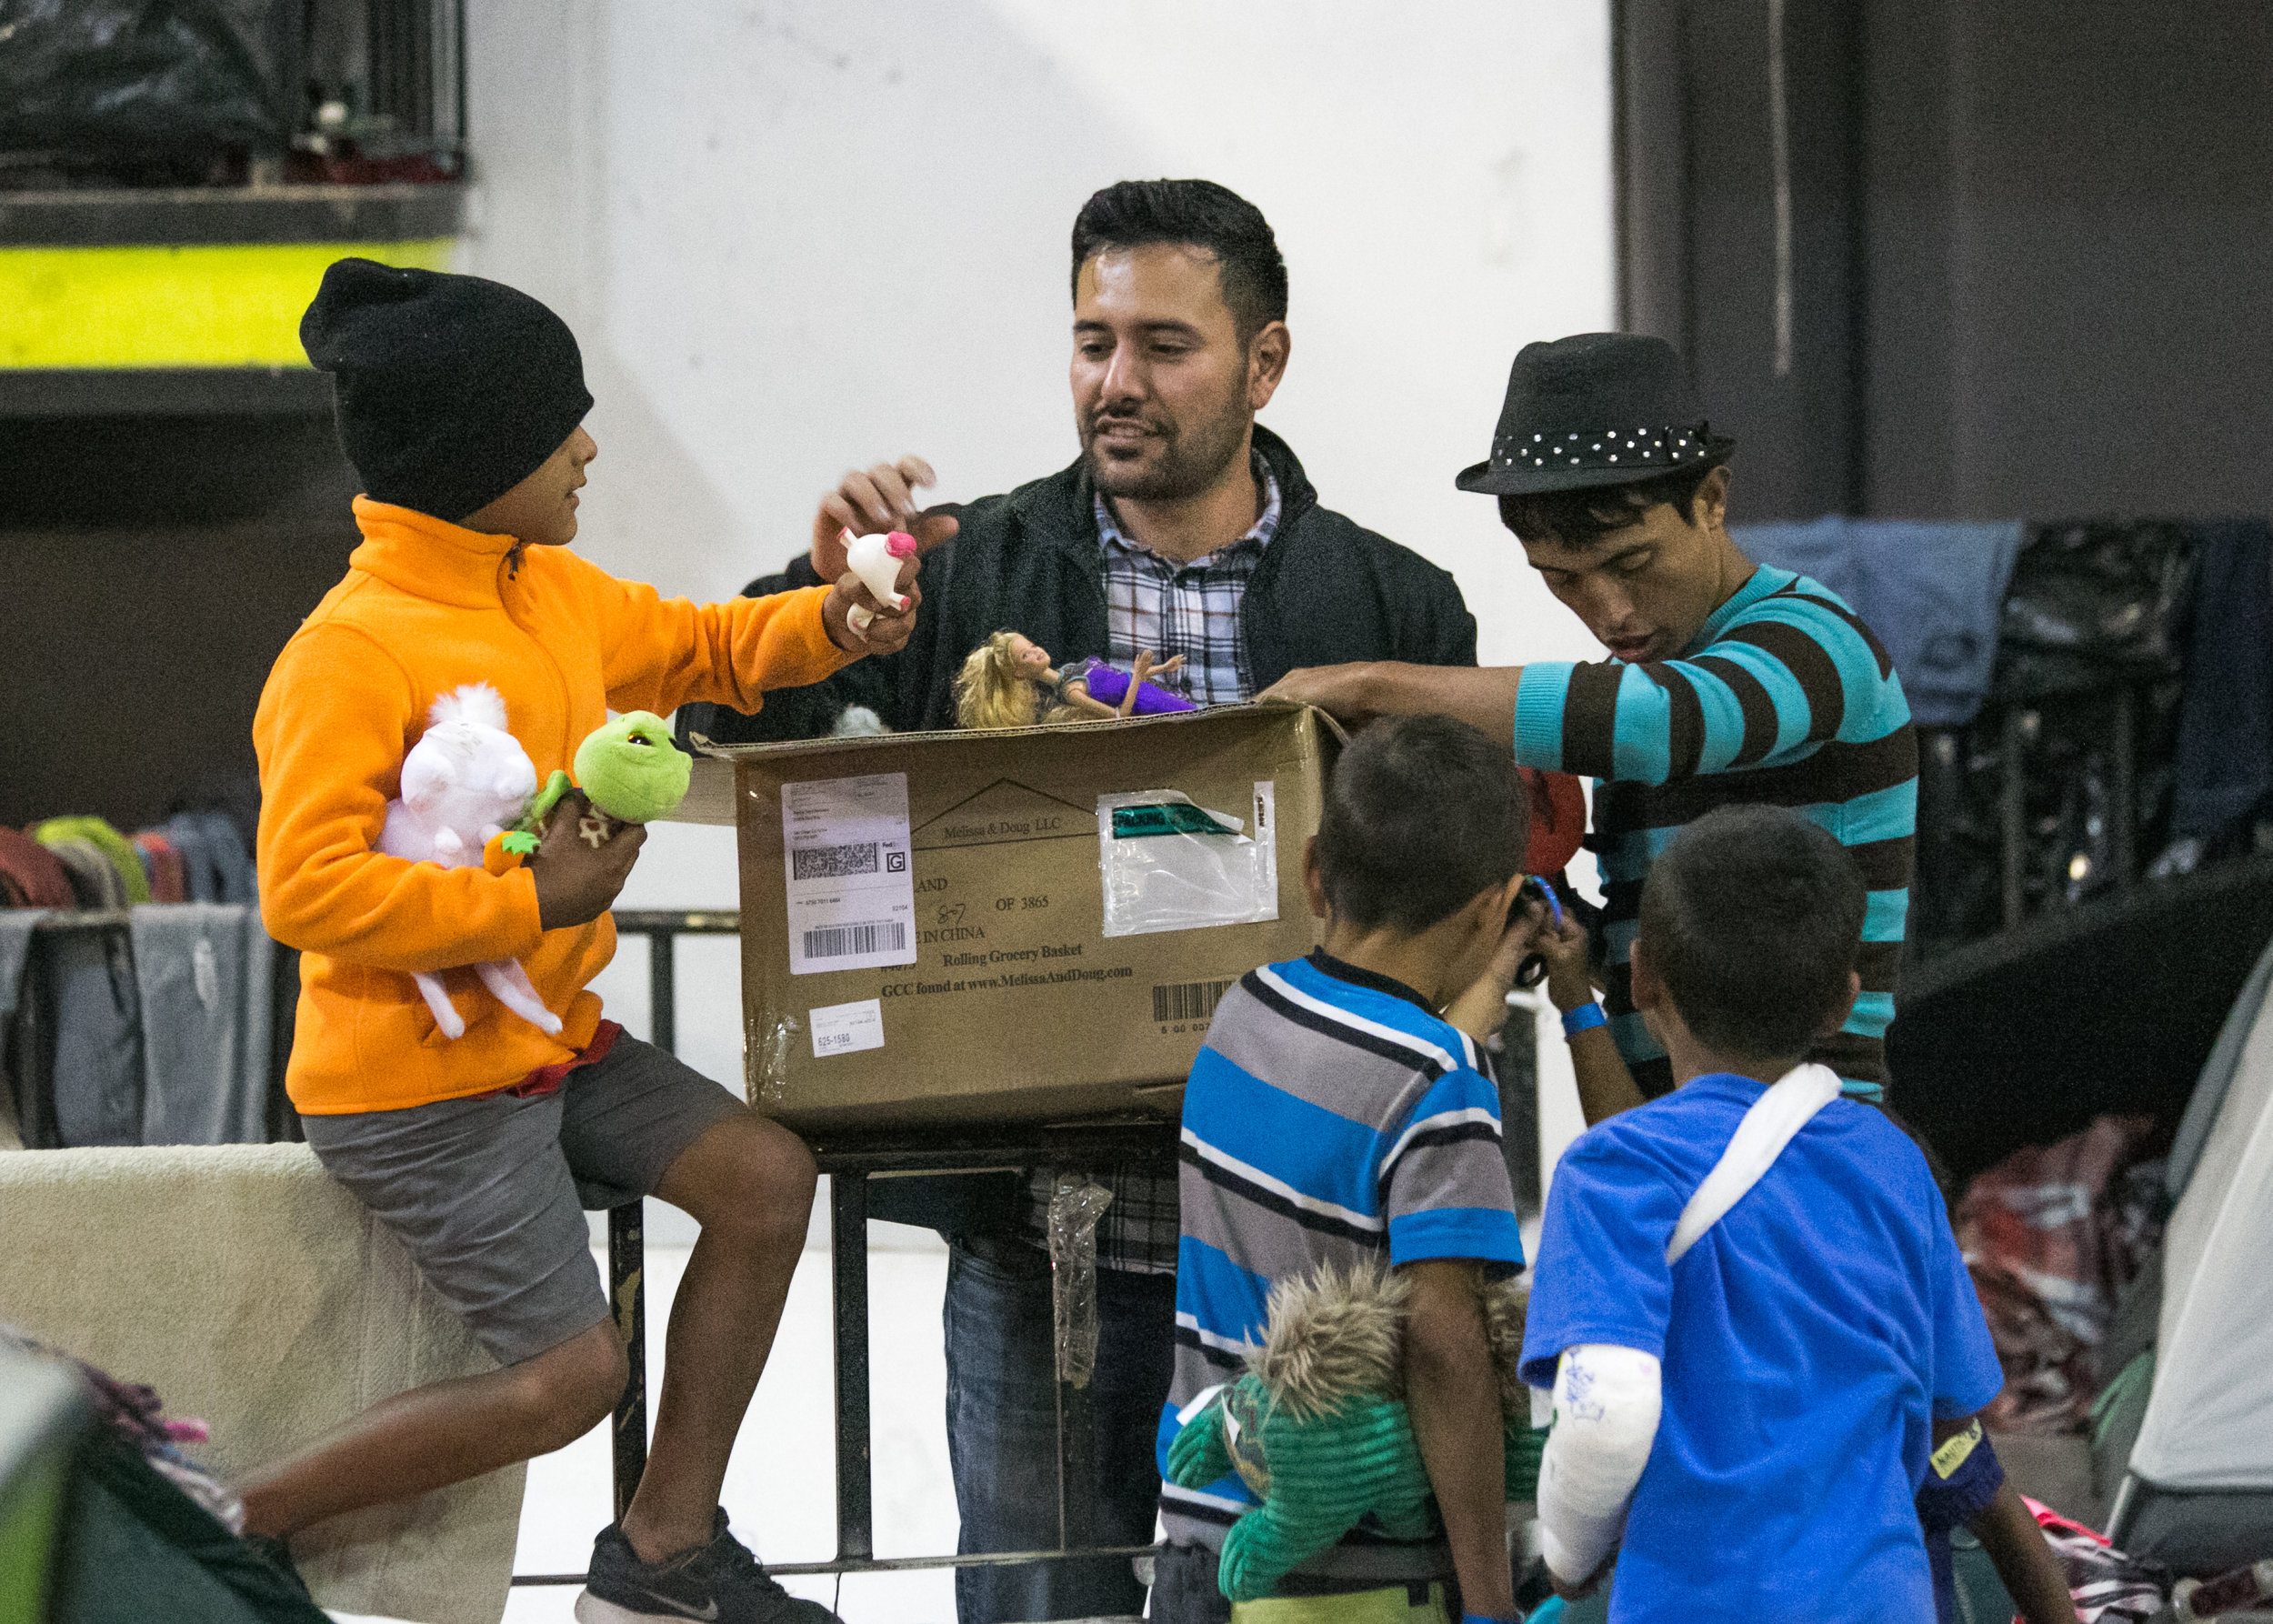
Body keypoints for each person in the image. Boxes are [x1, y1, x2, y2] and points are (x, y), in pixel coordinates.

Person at [698, 178, 1490, 1624]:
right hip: (1048, 1237)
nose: (1115, 382)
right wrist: (816, 601)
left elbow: (1457, 889)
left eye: (1164, 345)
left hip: (1308, 1267)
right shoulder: (964, 569)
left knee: (1308, 1599)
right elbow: (714, 725)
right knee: (1039, 1598)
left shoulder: (1392, 607)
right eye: (1090, 340)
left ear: (1265, 364)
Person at [245, 259, 919, 1624]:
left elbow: (713, 648)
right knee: (571, 1378)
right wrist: (526, 905)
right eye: (563, 426)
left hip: (547, 1044)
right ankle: (236, 1509)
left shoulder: (548, 589)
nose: (590, 447)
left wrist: (833, 620)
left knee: (765, 1178)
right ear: (475, 453)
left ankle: (662, 1558)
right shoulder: (350, 651)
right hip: (414, 1094)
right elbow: (305, 891)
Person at [1262, 332, 1915, 1109]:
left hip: (1810, 1146)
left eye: (1633, 565)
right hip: (1663, 1140)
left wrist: (1366, 683)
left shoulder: (1817, 643)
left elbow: (1660, 725)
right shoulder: (1629, 684)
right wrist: (1572, 939)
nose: (1609, 612)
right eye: (1562, 580)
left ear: (1711, 500)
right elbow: (1669, 982)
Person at [1517, 806, 2069, 1624]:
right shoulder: (1892, 1163)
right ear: (1844, 1003)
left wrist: (1564, 1558)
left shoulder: (1608, 1171)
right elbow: (1957, 1416)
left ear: (1641, 977)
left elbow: (1610, 1412)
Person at [1152, 715, 1547, 1624]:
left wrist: (1491, 973)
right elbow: (1443, 1348)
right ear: (1493, 905)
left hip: (1203, 1542)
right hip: (1353, 1578)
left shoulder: (1245, 1013)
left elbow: (1381, 1063)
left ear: (1313, 870)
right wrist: (1489, 1598)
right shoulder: (1440, 1081)